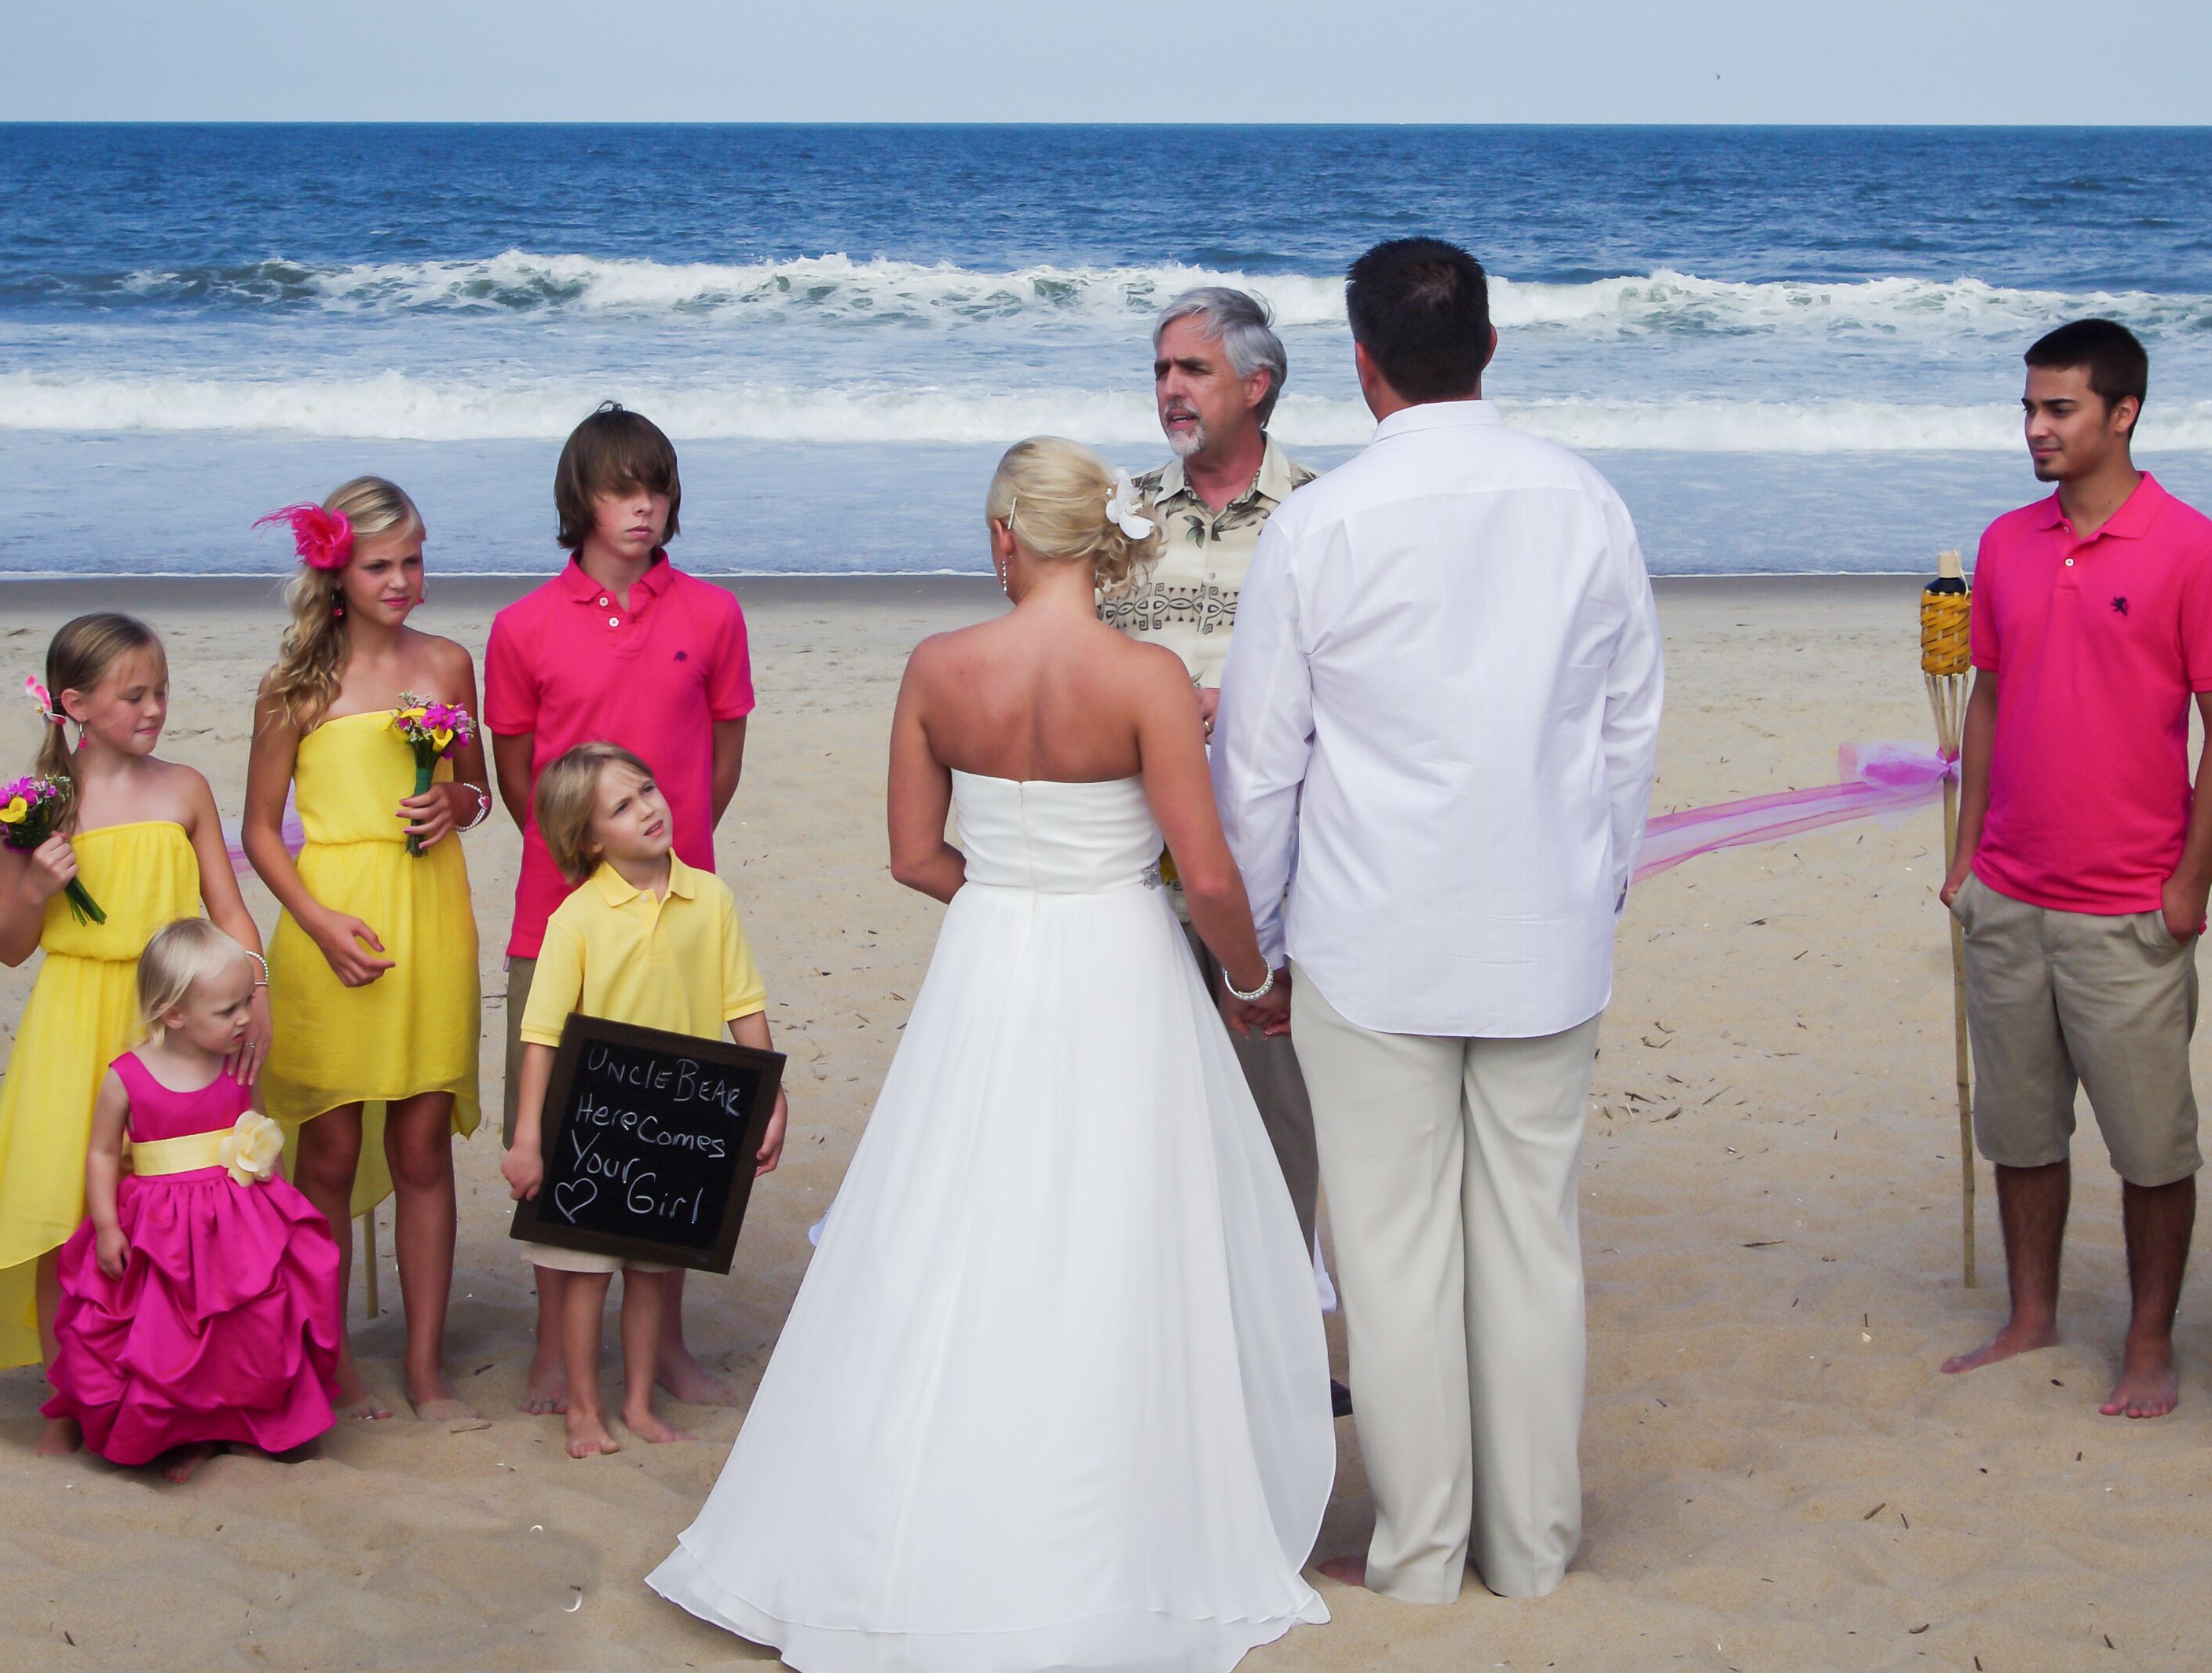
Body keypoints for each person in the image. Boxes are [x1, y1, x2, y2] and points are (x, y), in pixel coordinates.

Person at [649, 437, 1330, 1671]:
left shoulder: (937, 668)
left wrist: (1010, 891)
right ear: (1104, 538)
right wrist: (1247, 980)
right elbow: (1211, 871)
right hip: (1120, 958)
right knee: (1112, 1222)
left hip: (991, 957)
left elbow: (914, 856)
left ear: (1004, 539)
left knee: (956, 1215)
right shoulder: (1147, 676)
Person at [1213, 236, 1665, 1604]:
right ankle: (1528, 1546)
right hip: (1540, 923)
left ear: (1360, 366)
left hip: (1369, 934)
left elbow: (1259, 762)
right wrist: (1599, 881)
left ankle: (1418, 1551)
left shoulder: (1321, 522)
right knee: (1530, 1237)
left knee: (1394, 1252)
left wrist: (1263, 945)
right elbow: (1627, 727)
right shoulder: (1584, 502)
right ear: (1489, 346)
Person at [1937, 318, 2212, 1420]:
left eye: (2058, 408)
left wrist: (2190, 882)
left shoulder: (2191, 548)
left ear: (2121, 413)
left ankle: (2149, 1345)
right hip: (2008, 891)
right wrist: (1967, 855)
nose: (2034, 428)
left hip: (2129, 903)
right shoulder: (2006, 540)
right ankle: (2031, 1316)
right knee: (2021, 1131)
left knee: (2150, 1145)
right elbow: (1986, 698)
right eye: (2027, 407)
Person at [0, 613, 269, 1457]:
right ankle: (70, 1399)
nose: (155, 708)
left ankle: (178, 1392)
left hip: (171, 1016)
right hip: (72, 1021)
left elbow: (225, 906)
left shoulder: (185, 788)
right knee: (65, 1205)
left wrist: (257, 981)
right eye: (134, 694)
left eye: (161, 691)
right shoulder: (35, 806)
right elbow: (7, 945)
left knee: (178, 1204)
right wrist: (34, 885)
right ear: (75, 703)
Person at [487, 404, 755, 1417]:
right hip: (555, 914)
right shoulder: (522, 627)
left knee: (670, 1132)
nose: (642, 507)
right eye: (620, 489)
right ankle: (559, 1352)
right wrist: (592, 869)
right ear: (582, 500)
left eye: (656, 488)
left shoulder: (714, 614)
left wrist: (662, 862)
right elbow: (521, 778)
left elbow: (721, 758)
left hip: (681, 914)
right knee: (561, 1130)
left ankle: (668, 1343)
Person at [242, 478, 488, 1422]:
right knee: (331, 1150)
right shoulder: (294, 686)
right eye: (380, 564)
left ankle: (424, 1367)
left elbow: (478, 793)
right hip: (331, 926)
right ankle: (327, 1361)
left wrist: (454, 803)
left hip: (430, 916)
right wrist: (314, 920)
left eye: (414, 559)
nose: (402, 579)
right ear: (335, 572)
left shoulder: (448, 663)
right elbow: (262, 829)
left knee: (424, 1143)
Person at [1102, 287, 1331, 1281]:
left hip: (1271, 866)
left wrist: (1241, 702)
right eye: (1160, 370)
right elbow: (1075, 659)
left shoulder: (1323, 513)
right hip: (1130, 859)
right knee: (1138, 1107)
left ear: (1257, 381)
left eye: (1191, 369)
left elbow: (1359, 680)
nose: (1169, 389)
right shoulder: (1121, 519)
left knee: (1277, 1105)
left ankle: (1278, 1332)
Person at [502, 743, 788, 1461]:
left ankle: (637, 1403)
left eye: (648, 788)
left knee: (657, 1274)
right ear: (589, 837)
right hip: (591, 1125)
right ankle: (586, 1410)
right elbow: (540, 1036)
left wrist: (771, 1096)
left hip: (681, 1127)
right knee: (587, 1278)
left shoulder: (711, 899)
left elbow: (743, 1004)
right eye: (622, 806)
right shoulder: (575, 918)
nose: (649, 808)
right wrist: (530, 1138)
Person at [44, 919, 342, 1480]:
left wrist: (279, 1204)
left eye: (244, 1004)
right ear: (173, 1014)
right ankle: (185, 1437)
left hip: (237, 1226)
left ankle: (245, 1427)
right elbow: (105, 1153)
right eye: (227, 1010)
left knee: (248, 1330)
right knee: (171, 1340)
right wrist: (107, 1226)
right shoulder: (126, 1076)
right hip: (160, 1234)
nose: (245, 1019)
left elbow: (256, 1129)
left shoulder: (236, 1066)